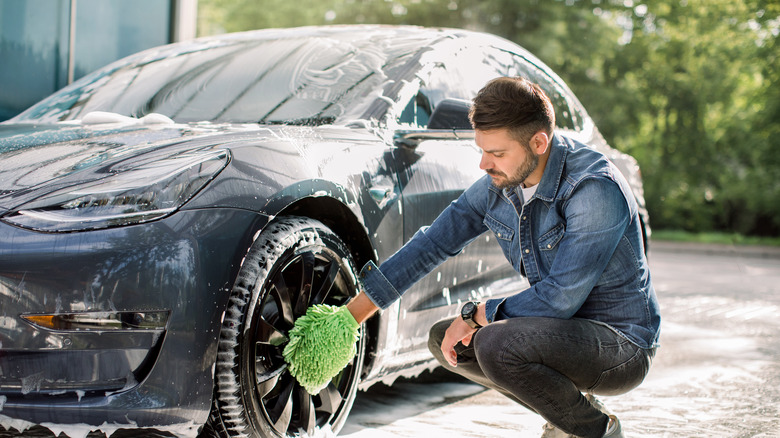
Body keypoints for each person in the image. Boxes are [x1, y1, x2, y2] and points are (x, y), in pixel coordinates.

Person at [345, 76, 661, 438]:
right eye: (481, 150)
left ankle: (595, 431)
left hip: (621, 345)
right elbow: (431, 244)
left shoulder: (594, 189)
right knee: (445, 339)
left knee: (495, 343)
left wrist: (477, 313)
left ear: (538, 142)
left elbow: (559, 298)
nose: (484, 164)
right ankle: (570, 416)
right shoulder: (501, 185)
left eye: (496, 153)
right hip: (559, 333)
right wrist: (349, 318)